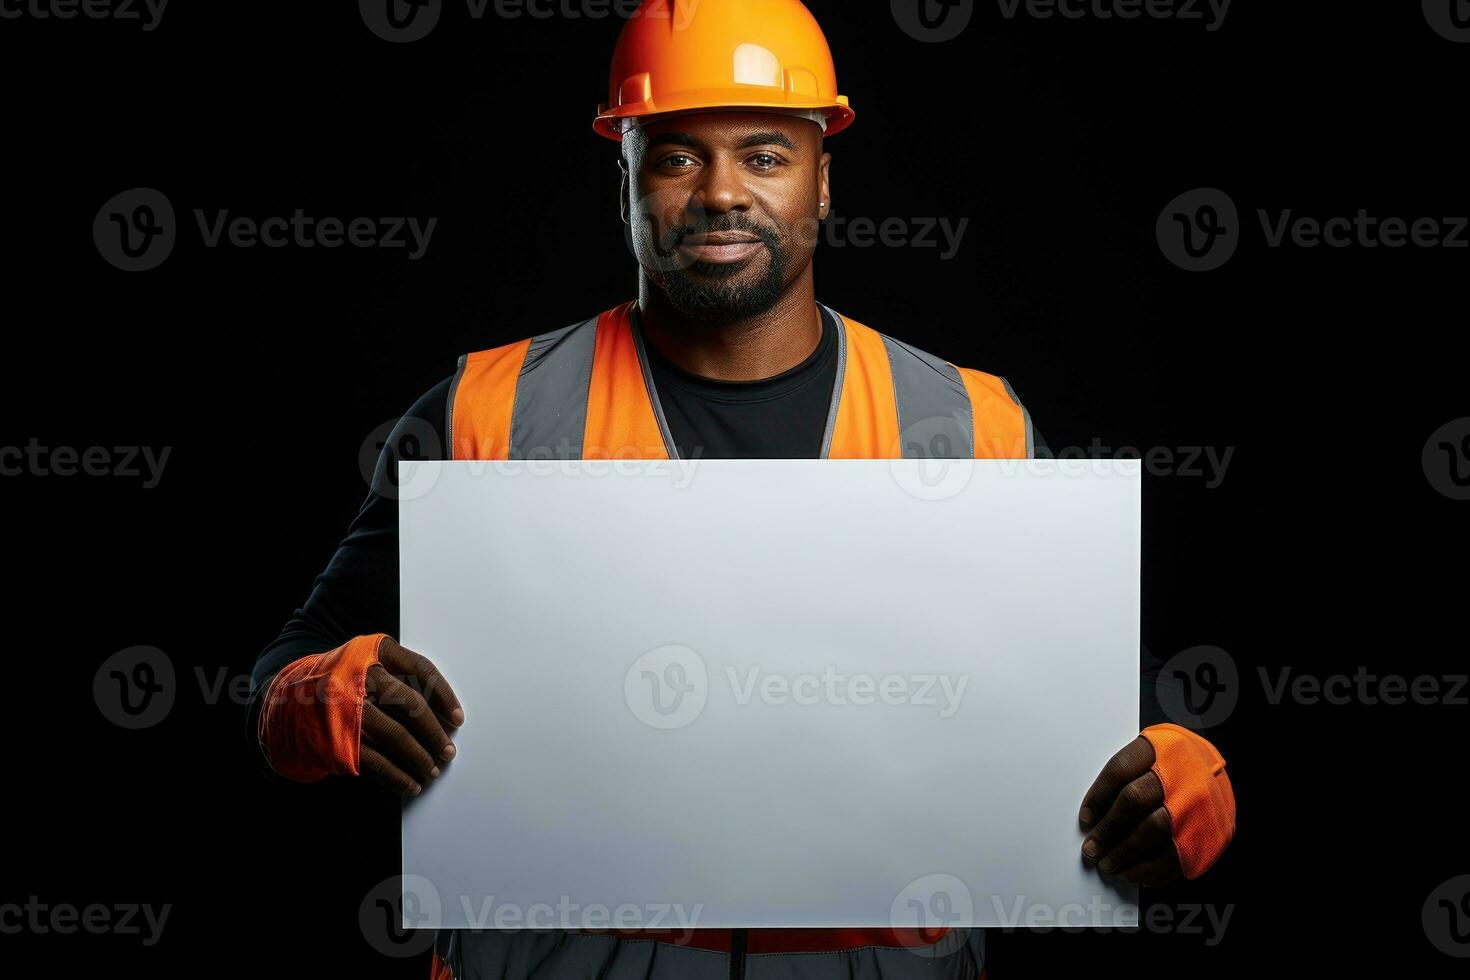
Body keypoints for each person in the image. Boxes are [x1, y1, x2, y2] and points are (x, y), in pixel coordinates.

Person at [248, 2, 1236, 977]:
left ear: (823, 181)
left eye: (765, 154)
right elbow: (285, 670)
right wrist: (322, 695)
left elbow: (1123, 711)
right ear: (624, 177)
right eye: (678, 155)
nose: (721, 192)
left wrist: (1187, 775)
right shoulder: (482, 413)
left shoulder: (976, 426)